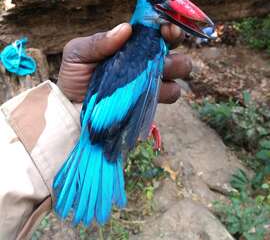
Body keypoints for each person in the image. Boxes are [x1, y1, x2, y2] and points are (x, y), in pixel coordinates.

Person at [0, 23, 192, 240]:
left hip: (91, 121)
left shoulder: (141, 40)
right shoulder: (147, 42)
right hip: (98, 135)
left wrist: (69, 111)